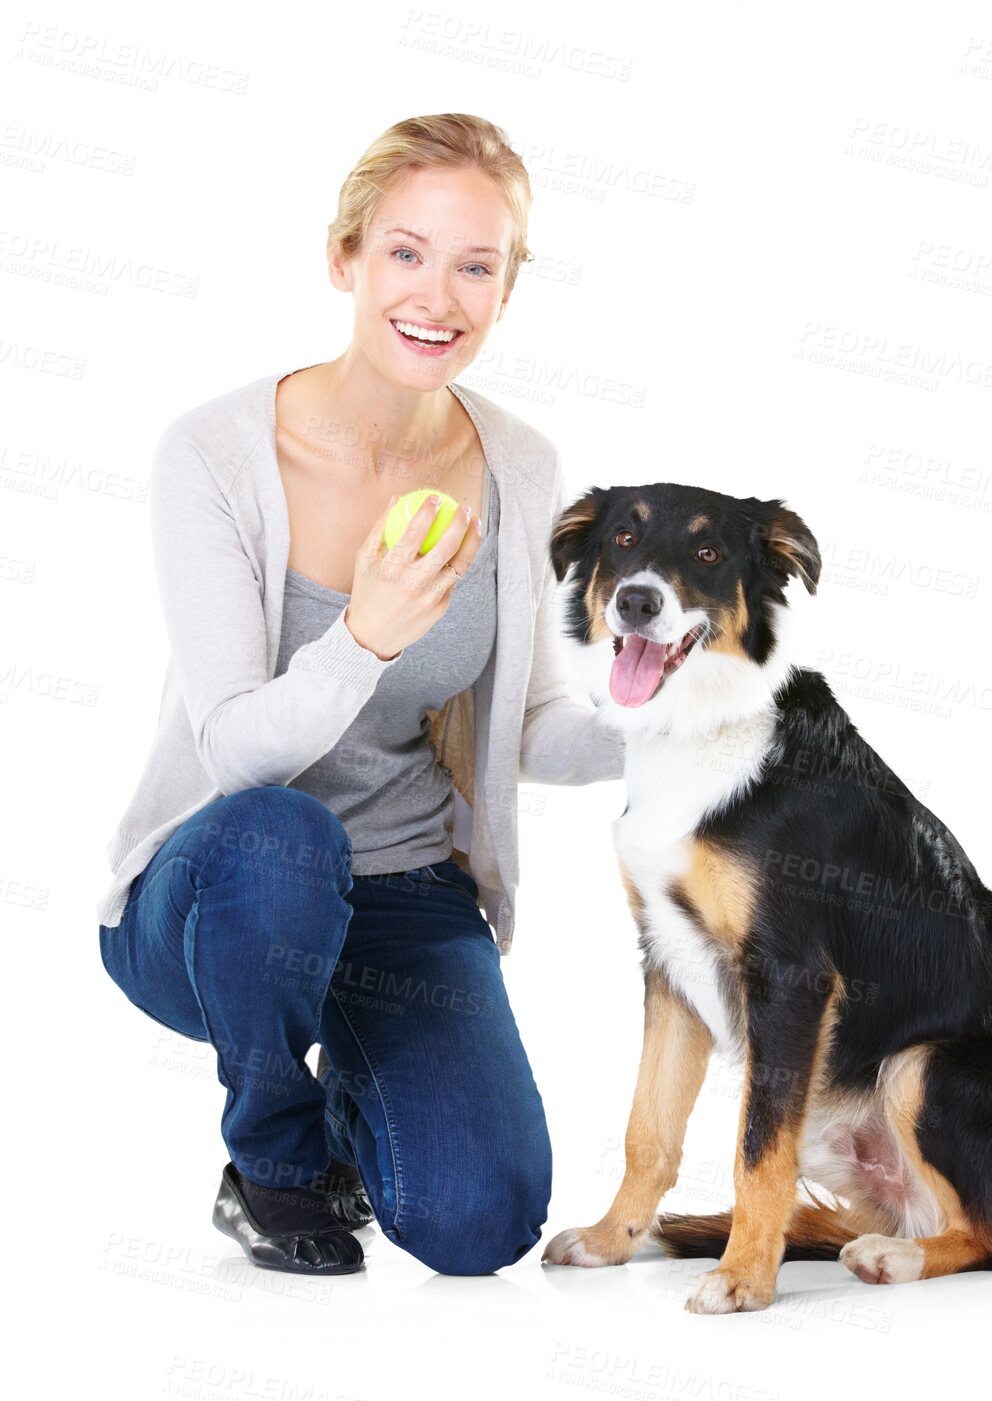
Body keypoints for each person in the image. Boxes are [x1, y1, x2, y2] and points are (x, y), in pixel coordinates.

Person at [96, 114, 624, 1276]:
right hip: (216, 895)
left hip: (400, 896)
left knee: (479, 1220)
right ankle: (276, 1166)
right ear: (344, 259)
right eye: (405, 252)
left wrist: (674, 724)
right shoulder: (215, 455)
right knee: (284, 834)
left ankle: (351, 1087)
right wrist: (365, 635)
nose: (437, 295)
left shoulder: (520, 465)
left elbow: (533, 724)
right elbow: (237, 755)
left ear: (504, 290)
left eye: (475, 265)